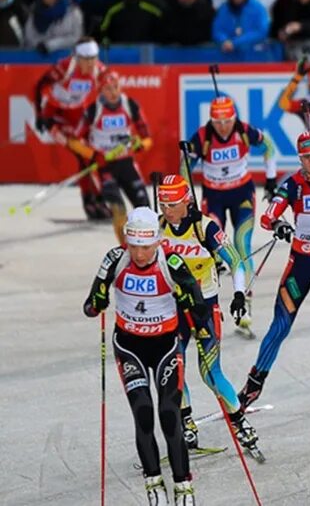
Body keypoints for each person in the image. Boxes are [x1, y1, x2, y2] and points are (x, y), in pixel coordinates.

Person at [82, 207, 205, 506]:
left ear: (158, 242)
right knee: (143, 413)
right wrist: (96, 302)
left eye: (146, 247)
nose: (139, 254)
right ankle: (153, 484)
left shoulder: (171, 264)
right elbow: (90, 304)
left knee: (169, 415)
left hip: (165, 347)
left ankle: (183, 486)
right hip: (129, 347)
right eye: (134, 246)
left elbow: (198, 304)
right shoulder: (115, 260)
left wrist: (193, 309)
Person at [239, 131, 310, 414]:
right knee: (280, 326)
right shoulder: (293, 184)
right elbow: (268, 216)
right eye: (306, 157)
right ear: (300, 159)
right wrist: (278, 224)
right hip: (301, 266)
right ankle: (254, 383)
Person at [155, 175, 260, 457]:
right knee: (173, 369)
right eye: (163, 204)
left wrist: (238, 294)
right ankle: (187, 423)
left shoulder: (205, 227)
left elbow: (236, 260)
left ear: (187, 200)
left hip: (204, 307)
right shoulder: (157, 227)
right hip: (172, 308)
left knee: (210, 373)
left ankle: (239, 422)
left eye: (172, 204)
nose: (167, 210)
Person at [181, 95, 277, 337]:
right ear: (211, 120)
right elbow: (185, 168)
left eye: (227, 121)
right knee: (208, 251)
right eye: (217, 121)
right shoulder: (203, 136)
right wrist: (186, 197)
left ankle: (245, 305)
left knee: (241, 245)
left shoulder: (243, 130)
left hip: (242, 194)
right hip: (213, 196)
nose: (222, 126)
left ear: (233, 118)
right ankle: (199, 312)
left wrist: (271, 179)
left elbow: (268, 145)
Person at [66, 69, 152, 244]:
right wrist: (94, 155)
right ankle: (125, 250)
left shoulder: (130, 105)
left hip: (126, 164)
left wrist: (139, 145)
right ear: (100, 90)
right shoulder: (93, 111)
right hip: (105, 168)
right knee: (118, 211)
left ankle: (150, 249)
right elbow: (73, 142)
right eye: (108, 88)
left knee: (146, 210)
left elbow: (147, 139)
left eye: (116, 87)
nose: (113, 92)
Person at [33, 37, 107, 218]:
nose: (90, 64)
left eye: (93, 58)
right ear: (77, 57)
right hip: (56, 116)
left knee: (89, 158)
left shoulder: (100, 70)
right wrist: (41, 115)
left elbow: (107, 96)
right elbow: (40, 86)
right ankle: (94, 200)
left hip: (76, 116)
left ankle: (94, 200)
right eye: (86, 59)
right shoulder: (66, 67)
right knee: (84, 154)